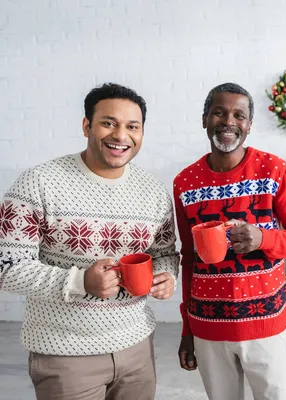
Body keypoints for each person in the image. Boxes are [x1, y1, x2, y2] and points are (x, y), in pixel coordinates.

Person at [0, 83, 179, 400]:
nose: (121, 135)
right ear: (87, 126)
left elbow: (164, 253)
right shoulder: (38, 183)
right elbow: (7, 267)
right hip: (64, 354)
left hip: (138, 349)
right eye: (108, 122)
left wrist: (167, 276)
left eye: (132, 126)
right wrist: (81, 281)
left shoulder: (153, 192)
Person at [173, 82, 286, 400]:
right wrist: (187, 330)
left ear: (249, 125)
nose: (228, 121)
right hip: (208, 326)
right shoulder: (184, 182)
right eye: (219, 113)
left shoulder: (274, 170)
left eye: (239, 114)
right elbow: (189, 259)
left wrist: (262, 237)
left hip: (266, 324)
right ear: (205, 119)